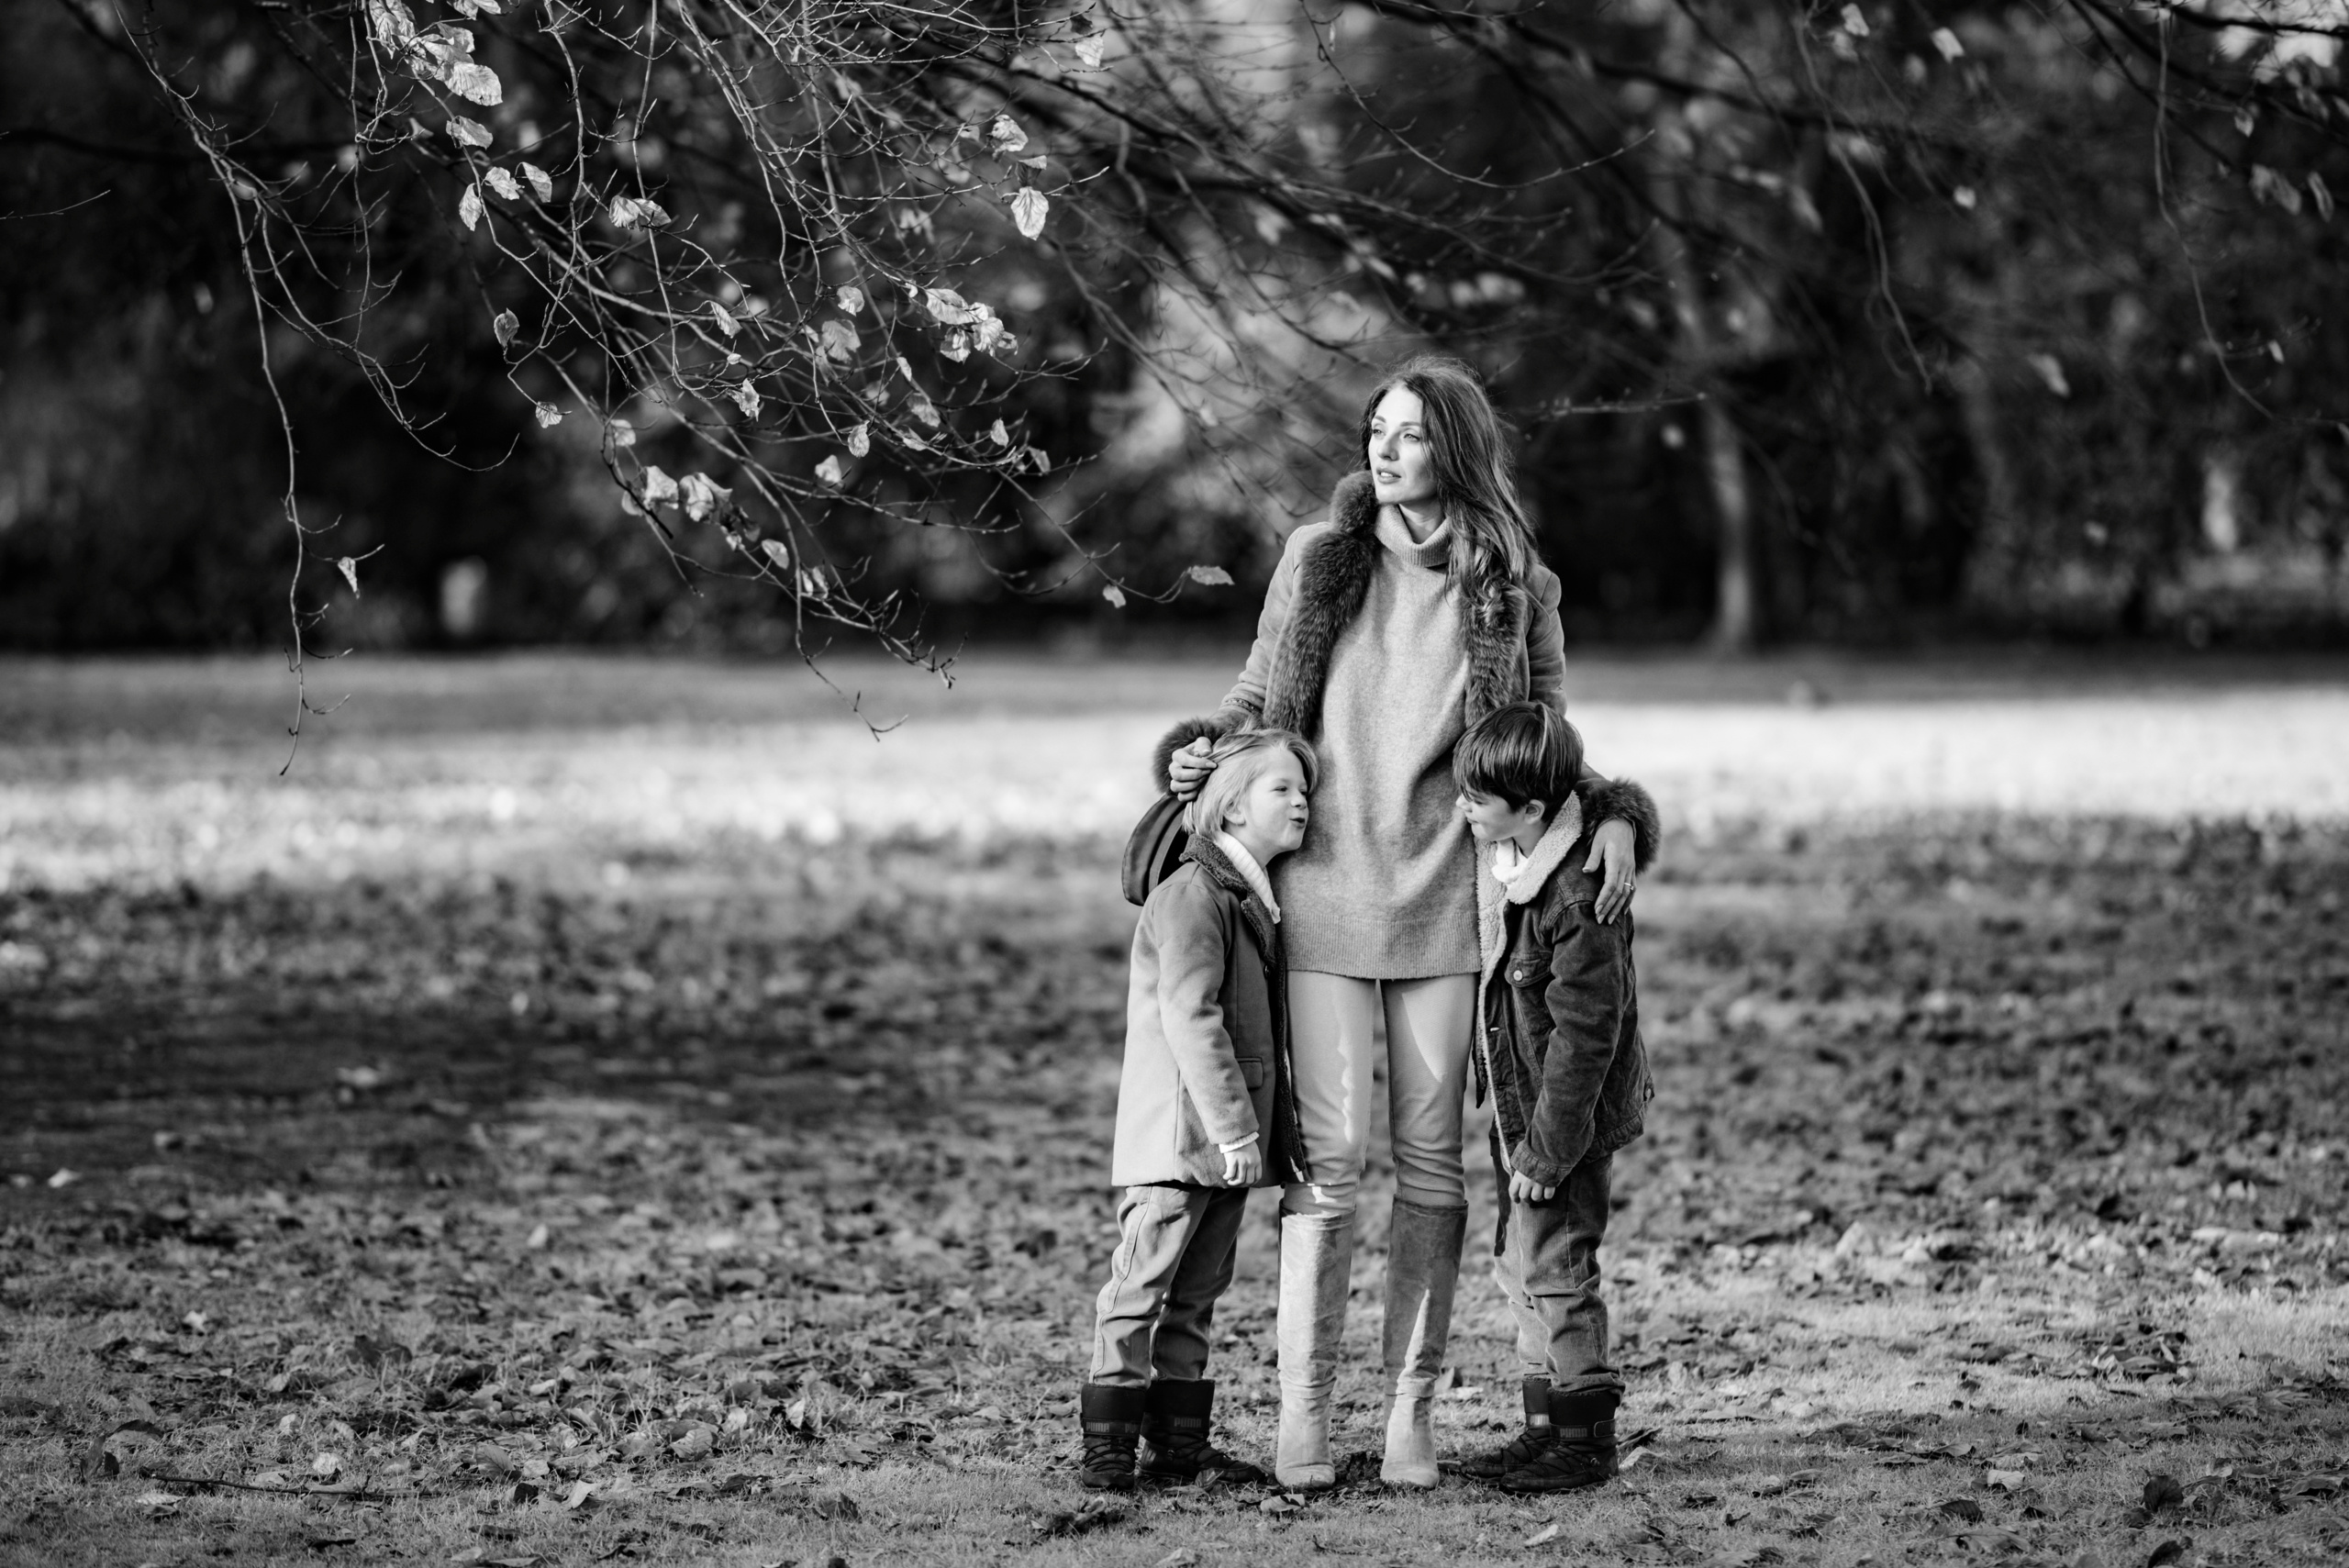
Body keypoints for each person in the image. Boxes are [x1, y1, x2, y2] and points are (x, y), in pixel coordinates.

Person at [1154, 356, 1658, 1489]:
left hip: (1447, 904)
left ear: (1456, 451)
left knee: (1432, 1167)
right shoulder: (1315, 558)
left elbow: (1546, 747)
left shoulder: (1511, 579)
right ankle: (1303, 1418)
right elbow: (1253, 696)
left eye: (1410, 435)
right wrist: (1199, 753)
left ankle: (1408, 1416)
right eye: (1375, 430)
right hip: (1321, 900)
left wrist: (1617, 815)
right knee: (1326, 1169)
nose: (1383, 450)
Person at [1077, 727, 1318, 1491]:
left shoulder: (1251, 897)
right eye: (1282, 787)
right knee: (1140, 1286)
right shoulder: (1193, 893)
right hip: (1183, 1138)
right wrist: (1234, 1126)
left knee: (1197, 1295)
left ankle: (1179, 1444)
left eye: (1305, 788)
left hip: (1223, 1147)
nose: (1302, 800)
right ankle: (1108, 1446)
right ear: (1232, 806)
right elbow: (1190, 1014)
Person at [1452, 702, 1651, 1493]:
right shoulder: (1515, 856)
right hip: (1519, 1112)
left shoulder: (1578, 897)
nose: (1463, 806)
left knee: (1561, 1268)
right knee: (1521, 1266)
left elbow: (1585, 1038)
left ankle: (1584, 1437)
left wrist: (1546, 1149)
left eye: (1478, 798)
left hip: (1557, 1124)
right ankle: (1544, 1426)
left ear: (1533, 808)